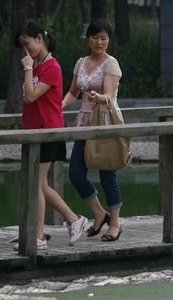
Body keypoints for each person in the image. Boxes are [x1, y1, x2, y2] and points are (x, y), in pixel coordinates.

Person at [14, 20, 87, 250]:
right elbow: (28, 98)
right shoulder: (35, 65)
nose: (26, 51)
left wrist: (27, 68)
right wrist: (29, 68)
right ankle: (74, 220)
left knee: (37, 183)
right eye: (22, 47)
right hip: (33, 130)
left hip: (48, 130)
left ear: (39, 38)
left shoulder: (51, 67)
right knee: (40, 184)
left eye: (28, 44)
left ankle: (38, 237)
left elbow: (32, 95)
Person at [62, 20, 123, 242]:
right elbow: (72, 93)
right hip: (85, 121)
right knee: (75, 173)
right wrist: (56, 106)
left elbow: (108, 94)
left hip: (105, 120)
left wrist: (99, 98)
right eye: (95, 37)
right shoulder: (81, 62)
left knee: (107, 174)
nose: (99, 42)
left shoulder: (111, 64)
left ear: (108, 40)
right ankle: (99, 213)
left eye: (104, 38)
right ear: (88, 38)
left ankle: (114, 223)